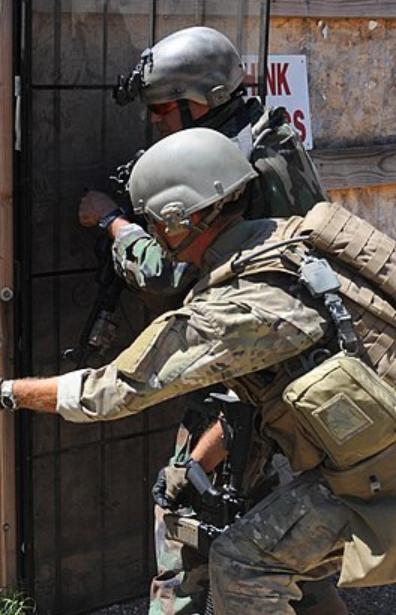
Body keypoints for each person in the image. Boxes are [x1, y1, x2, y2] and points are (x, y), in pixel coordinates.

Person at [0, 128, 396, 615]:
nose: (152, 233)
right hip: (376, 447)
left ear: (185, 219)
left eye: (155, 222)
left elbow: (111, 391)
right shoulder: (294, 240)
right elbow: (269, 394)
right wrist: (197, 461)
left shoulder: (232, 312)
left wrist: (2, 392)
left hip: (378, 476)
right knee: (287, 553)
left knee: (244, 562)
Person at [78, 26, 338, 614]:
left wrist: (115, 225)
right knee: (272, 520)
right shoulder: (267, 134)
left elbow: (174, 279)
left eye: (163, 109)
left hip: (241, 371)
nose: (154, 122)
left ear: (201, 101)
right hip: (292, 365)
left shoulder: (226, 165)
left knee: (185, 512)